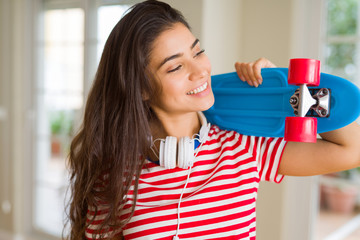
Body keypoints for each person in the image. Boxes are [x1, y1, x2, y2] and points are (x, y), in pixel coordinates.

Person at [66, 1, 360, 239]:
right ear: (141, 88)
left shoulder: (244, 145)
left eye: (198, 52)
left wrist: (285, 91)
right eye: (176, 66)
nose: (200, 71)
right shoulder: (114, 174)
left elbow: (352, 149)